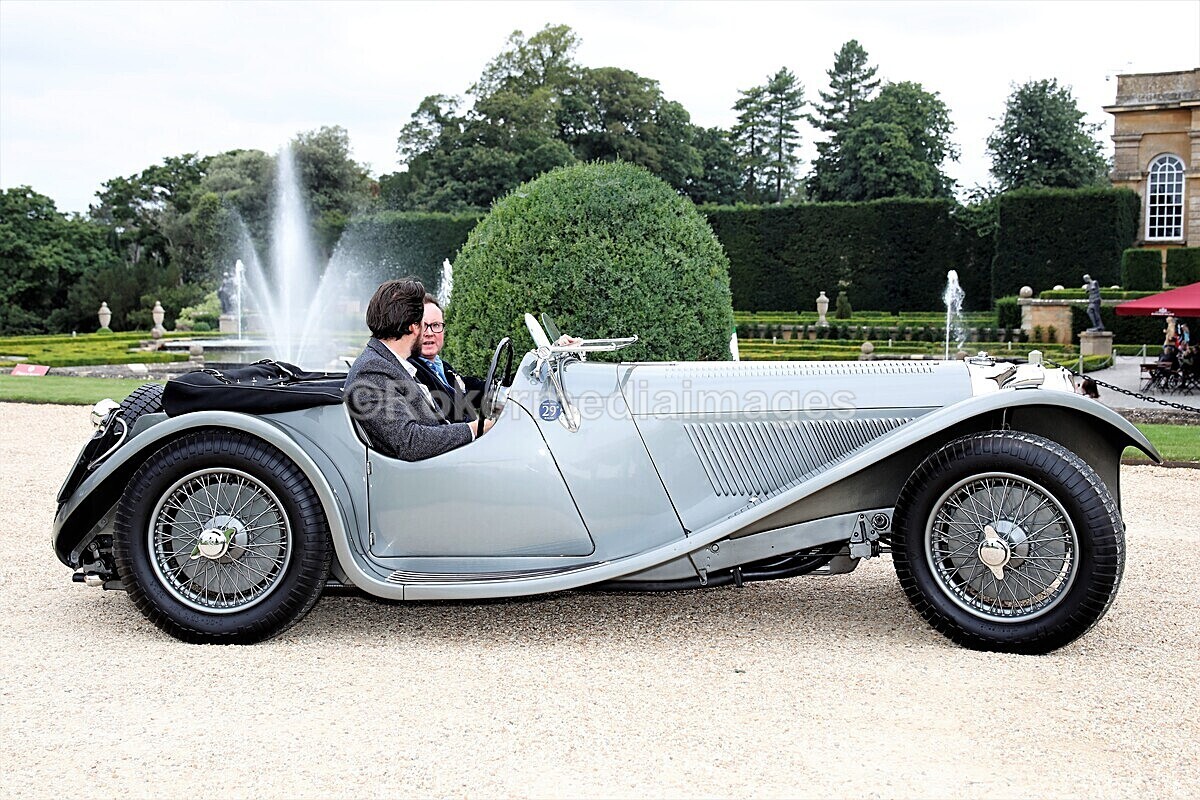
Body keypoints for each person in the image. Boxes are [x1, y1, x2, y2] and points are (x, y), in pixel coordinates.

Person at [345, 279, 492, 462]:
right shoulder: (372, 370)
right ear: (413, 326)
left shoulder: (393, 364)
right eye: (423, 323)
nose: (428, 331)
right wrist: (476, 428)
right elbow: (410, 442)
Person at [408, 294, 482, 424]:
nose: (429, 333)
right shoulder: (412, 372)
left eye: (436, 325)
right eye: (423, 326)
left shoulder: (440, 366)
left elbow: (468, 389)